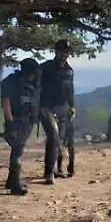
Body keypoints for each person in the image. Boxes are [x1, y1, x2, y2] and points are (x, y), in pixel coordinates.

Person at [0, 58, 41, 196]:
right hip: (16, 120)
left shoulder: (30, 82)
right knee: (17, 151)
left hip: (26, 120)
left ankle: (11, 180)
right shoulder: (13, 81)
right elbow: (5, 101)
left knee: (18, 150)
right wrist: (9, 121)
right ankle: (15, 185)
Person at [39, 39, 76, 182]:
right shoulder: (45, 68)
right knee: (54, 138)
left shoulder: (69, 71)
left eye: (67, 52)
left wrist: (72, 106)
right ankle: (48, 173)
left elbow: (71, 90)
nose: (64, 54)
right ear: (56, 51)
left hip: (63, 107)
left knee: (60, 139)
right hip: (46, 107)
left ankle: (56, 169)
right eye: (62, 51)